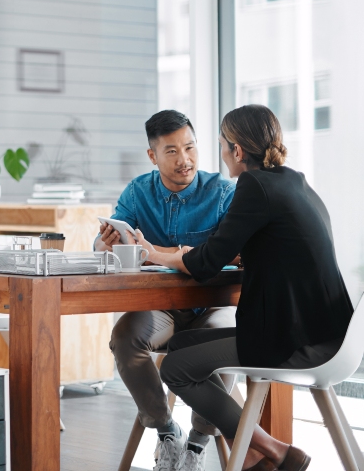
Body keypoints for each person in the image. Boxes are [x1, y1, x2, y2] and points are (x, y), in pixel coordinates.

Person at [140, 105, 353, 471]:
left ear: (237, 150)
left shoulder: (254, 186)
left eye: (222, 145)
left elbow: (206, 263)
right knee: (181, 344)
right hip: (327, 332)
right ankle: (258, 451)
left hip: (296, 341)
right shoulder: (293, 180)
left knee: (174, 369)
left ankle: (273, 449)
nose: (222, 153)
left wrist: (154, 254)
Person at [95, 110, 237, 471]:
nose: (184, 159)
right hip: (162, 306)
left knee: (225, 340)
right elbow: (103, 244)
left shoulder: (223, 192)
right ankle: (167, 432)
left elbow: (238, 254)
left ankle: (198, 443)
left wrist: (162, 252)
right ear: (153, 156)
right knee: (125, 338)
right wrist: (104, 243)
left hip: (213, 305)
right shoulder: (138, 192)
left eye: (190, 147)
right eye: (171, 151)